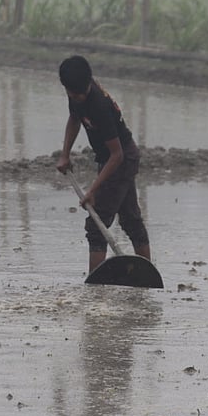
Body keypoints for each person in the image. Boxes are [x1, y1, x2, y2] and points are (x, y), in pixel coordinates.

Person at [55, 55, 151, 272]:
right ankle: (146, 277)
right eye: (72, 93)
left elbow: (117, 155)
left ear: (88, 84)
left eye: (80, 94)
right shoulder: (77, 92)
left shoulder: (98, 105)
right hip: (114, 158)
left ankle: (96, 287)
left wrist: (92, 190)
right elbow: (74, 118)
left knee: (97, 226)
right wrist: (65, 154)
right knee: (131, 220)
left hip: (121, 159)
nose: (76, 97)